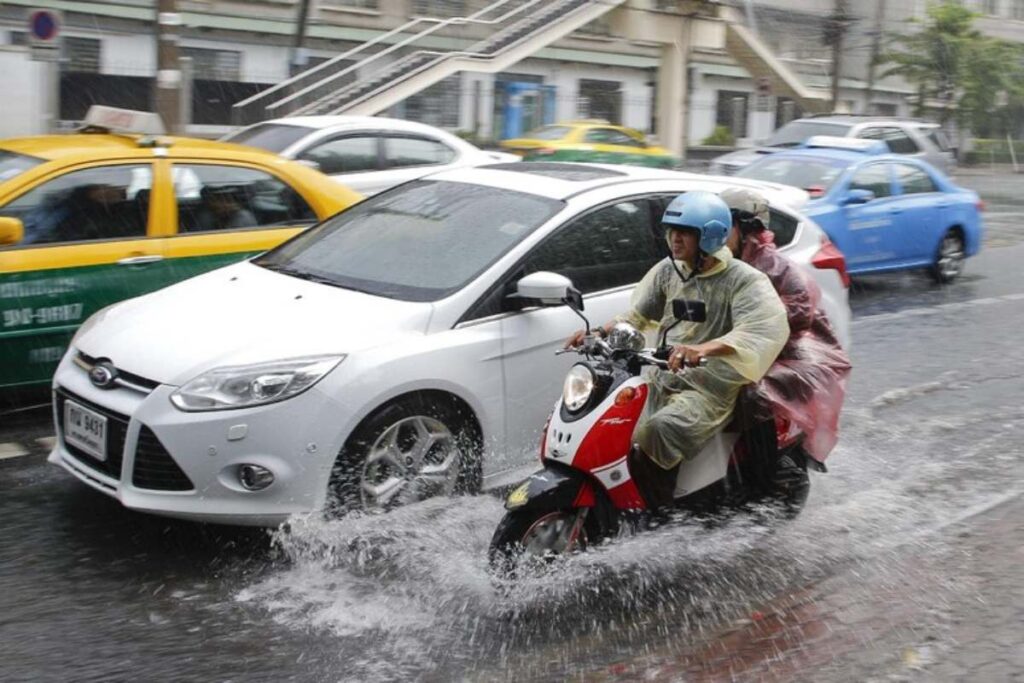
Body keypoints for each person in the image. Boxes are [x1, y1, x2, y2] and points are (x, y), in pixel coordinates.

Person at [565, 191, 789, 509]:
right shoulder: (669, 271)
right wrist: (597, 332)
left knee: (659, 430)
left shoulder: (744, 280)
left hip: (708, 387)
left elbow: (761, 328)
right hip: (663, 376)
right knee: (616, 423)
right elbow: (637, 316)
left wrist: (704, 349)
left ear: (709, 236)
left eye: (684, 232)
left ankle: (657, 514)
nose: (674, 239)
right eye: (671, 231)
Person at [719, 187, 852, 466]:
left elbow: (800, 312)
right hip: (756, 353)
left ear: (745, 228)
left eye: (723, 227)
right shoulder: (721, 265)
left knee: (750, 394)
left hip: (797, 356)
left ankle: (761, 474)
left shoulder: (774, 266)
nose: (715, 236)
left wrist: (751, 326)